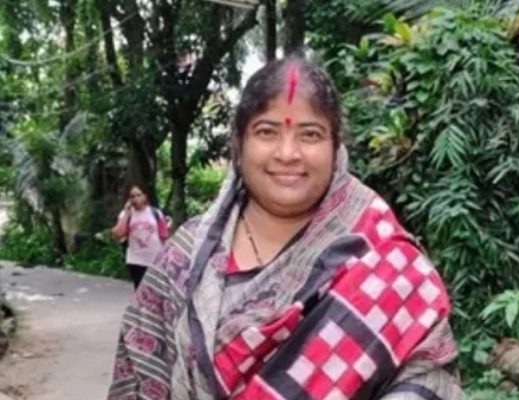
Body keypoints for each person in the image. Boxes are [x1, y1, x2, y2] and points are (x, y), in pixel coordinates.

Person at [108, 58, 463, 399]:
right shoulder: (182, 260)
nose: (288, 153)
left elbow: (428, 375)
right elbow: (138, 374)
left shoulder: (383, 258)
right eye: (267, 132)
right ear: (239, 143)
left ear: (335, 146)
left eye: (310, 134)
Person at [110, 184, 169, 289]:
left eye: (138, 195)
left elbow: (164, 236)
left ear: (145, 196)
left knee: (155, 290)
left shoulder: (156, 213)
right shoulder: (126, 214)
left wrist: (166, 256)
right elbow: (118, 233)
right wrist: (127, 212)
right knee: (140, 290)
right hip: (136, 260)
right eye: (132, 196)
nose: (135, 199)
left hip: (155, 259)